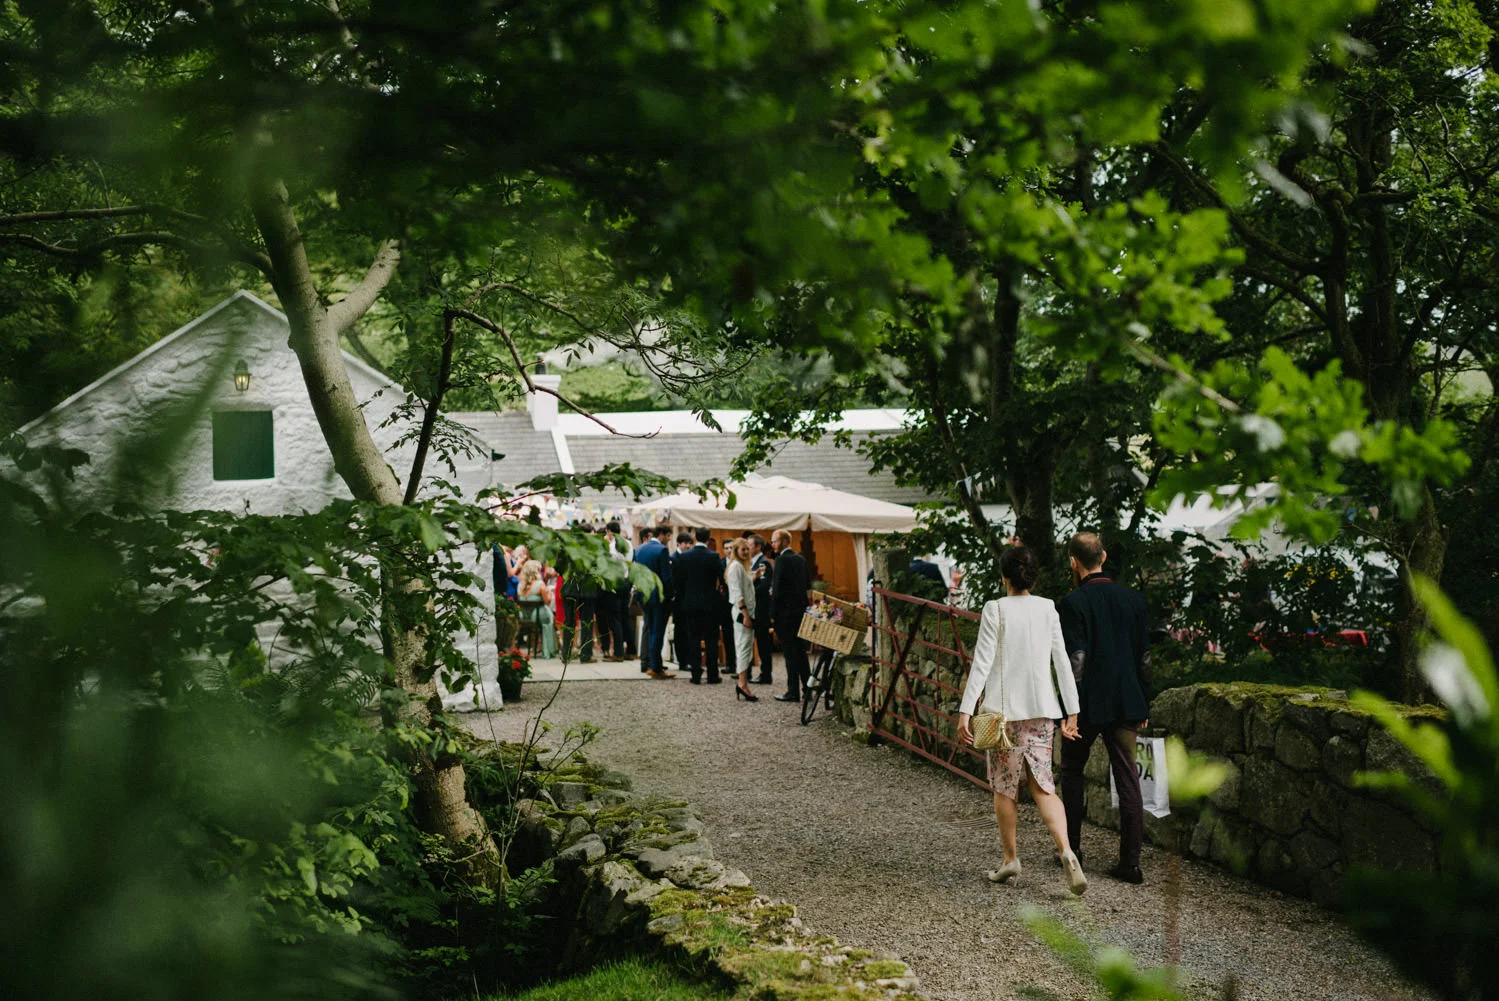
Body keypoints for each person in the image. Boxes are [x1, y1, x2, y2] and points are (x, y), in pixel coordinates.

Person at [955, 546, 1086, 896]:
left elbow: (982, 662)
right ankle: (1067, 851)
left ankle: (1010, 859)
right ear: (1033, 577)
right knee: (1043, 785)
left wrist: (965, 710)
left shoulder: (995, 608)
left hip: (1003, 715)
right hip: (1042, 710)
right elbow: (1061, 661)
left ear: (1004, 577)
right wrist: (1071, 711)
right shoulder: (1047, 608)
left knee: (1004, 786)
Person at [1057, 531, 1152, 885]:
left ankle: (1072, 851)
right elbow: (1144, 658)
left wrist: (1070, 708)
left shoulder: (1073, 603)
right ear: (1104, 557)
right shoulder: (1134, 600)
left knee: (1071, 772)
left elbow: (1076, 660)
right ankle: (1130, 863)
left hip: (1086, 704)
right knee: (1128, 778)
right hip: (1127, 700)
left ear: (1074, 562)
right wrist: (1144, 699)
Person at [673, 527, 725, 684]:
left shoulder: (685, 557)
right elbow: (722, 578)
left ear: (695, 538)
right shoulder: (714, 556)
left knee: (693, 639)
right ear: (709, 539)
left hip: (690, 604)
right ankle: (712, 674)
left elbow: (679, 582)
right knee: (711, 640)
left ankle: (695, 673)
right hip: (710, 604)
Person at [769, 529, 812, 703]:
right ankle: (808, 689)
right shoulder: (801, 559)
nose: (772, 545)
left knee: (789, 653)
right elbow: (807, 585)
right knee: (801, 652)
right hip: (799, 612)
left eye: (775, 541)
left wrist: (772, 614)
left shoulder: (781, 560)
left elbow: (777, 590)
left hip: (785, 615)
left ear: (785, 542)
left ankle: (792, 691)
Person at [632, 525, 676, 679]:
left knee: (651, 629)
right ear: (662, 535)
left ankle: (652, 663)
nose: (669, 540)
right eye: (669, 536)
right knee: (658, 632)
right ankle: (656, 667)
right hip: (659, 597)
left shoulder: (639, 549)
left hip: (644, 595)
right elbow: (666, 577)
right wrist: (671, 595)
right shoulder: (662, 550)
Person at [723, 539, 759, 701]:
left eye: (747, 549)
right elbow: (736, 592)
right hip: (742, 613)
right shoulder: (736, 567)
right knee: (743, 648)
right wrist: (745, 615)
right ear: (736, 551)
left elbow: (744, 586)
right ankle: (742, 684)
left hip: (747, 612)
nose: (746, 552)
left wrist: (753, 577)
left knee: (746, 647)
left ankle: (743, 683)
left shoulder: (742, 567)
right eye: (743, 549)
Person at [596, 521, 631, 661]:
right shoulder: (627, 544)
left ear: (609, 531)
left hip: (613, 585)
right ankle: (623, 649)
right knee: (621, 617)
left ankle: (618, 652)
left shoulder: (611, 547)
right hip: (624, 581)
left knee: (614, 618)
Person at [516, 559, 557, 659]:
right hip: (538, 616)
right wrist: (548, 593)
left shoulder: (520, 585)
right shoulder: (540, 584)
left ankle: (536, 647)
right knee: (550, 617)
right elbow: (547, 601)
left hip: (524, 616)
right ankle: (549, 650)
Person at [749, 535, 775, 685]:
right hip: (755, 608)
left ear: (758, 547)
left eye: (750, 546)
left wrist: (748, 589)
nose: (747, 548)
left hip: (762, 609)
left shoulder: (763, 563)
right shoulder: (752, 563)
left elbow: (763, 587)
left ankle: (766, 674)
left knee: (763, 642)